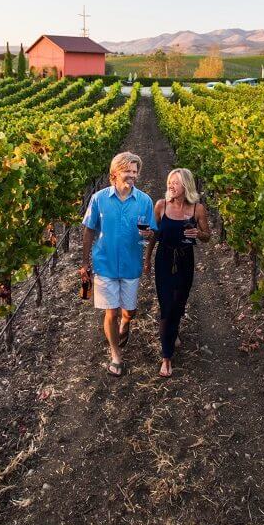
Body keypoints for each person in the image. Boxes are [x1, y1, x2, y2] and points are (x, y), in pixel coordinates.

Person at [81, 152, 156, 377]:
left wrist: (149, 233)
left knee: (129, 311)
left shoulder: (144, 201)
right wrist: (85, 262)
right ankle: (116, 355)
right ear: (115, 173)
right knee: (110, 312)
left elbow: (151, 233)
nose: (132, 175)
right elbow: (88, 230)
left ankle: (127, 323)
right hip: (105, 264)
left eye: (135, 171)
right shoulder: (99, 199)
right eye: (128, 171)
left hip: (131, 264)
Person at [144, 168, 210, 377]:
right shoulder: (161, 206)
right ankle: (166, 357)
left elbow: (207, 236)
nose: (171, 186)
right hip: (163, 259)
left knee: (179, 303)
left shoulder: (197, 209)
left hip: (185, 261)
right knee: (167, 307)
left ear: (186, 186)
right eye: (169, 182)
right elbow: (154, 235)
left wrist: (199, 233)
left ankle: (174, 330)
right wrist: (146, 260)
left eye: (176, 183)